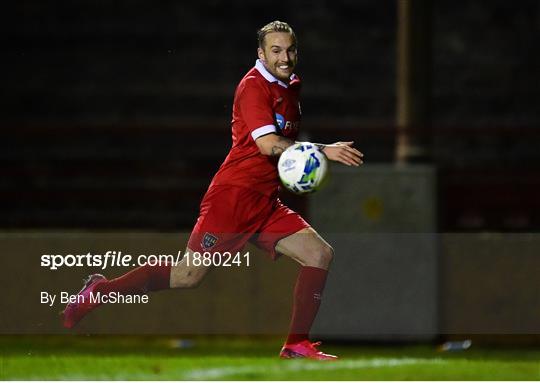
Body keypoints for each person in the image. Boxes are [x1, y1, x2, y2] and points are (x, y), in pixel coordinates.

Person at [62, 20, 363, 360]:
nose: (285, 57)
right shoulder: (253, 87)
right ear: (260, 54)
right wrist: (323, 150)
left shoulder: (292, 85)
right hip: (232, 199)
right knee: (187, 275)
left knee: (319, 254)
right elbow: (267, 145)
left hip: (264, 201)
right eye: (276, 50)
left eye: (290, 50)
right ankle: (101, 290)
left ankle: (296, 345)